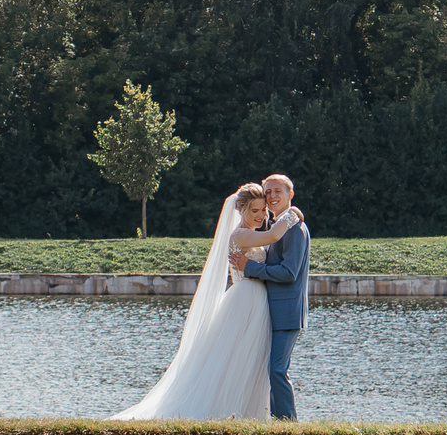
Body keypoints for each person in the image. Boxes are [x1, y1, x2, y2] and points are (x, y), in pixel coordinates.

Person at [110, 180, 303, 421]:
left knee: (251, 359)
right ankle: (228, 410)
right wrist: (293, 212)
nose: (261, 214)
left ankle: (250, 413)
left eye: (263, 210)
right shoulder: (241, 235)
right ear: (241, 211)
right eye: (255, 210)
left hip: (258, 302)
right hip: (246, 300)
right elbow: (274, 235)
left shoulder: (252, 234)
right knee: (235, 357)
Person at [242, 172, 310, 419]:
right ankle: (274, 418)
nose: (272, 196)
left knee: (277, 370)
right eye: (268, 191)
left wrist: (248, 268)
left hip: (287, 312)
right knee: (270, 369)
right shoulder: (280, 226)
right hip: (270, 310)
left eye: (277, 191)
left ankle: (288, 422)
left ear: (290, 194)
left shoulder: (294, 229)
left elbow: (289, 273)